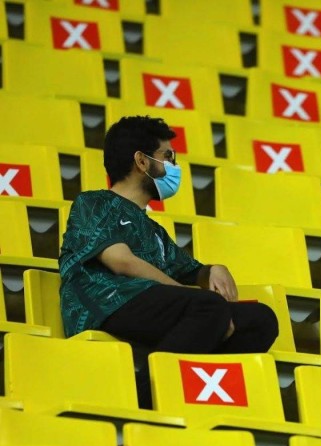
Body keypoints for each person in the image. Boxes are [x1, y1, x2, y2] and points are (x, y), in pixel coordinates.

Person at [59, 116, 279, 404]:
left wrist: (213, 270)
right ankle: (143, 398)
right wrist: (198, 300)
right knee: (210, 308)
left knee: (260, 319)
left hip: (148, 305)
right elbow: (120, 260)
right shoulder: (93, 202)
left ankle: (195, 390)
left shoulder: (154, 230)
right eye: (168, 156)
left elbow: (189, 269)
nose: (174, 166)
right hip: (105, 304)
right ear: (141, 161)